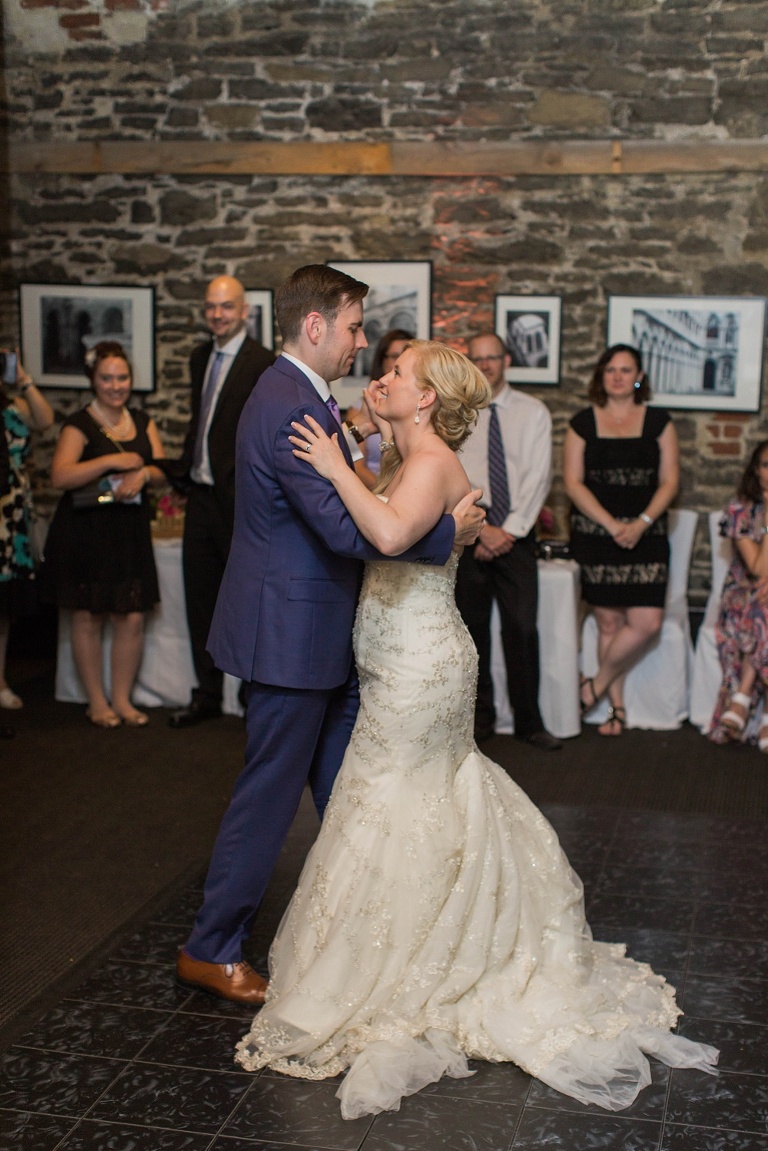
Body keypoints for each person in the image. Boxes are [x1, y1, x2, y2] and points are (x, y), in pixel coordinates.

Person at [234, 339, 717, 1120]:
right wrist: (360, 460)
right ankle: (407, 947)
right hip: (401, 657)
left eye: (398, 374)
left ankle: (410, 963)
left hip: (421, 667)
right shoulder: (413, 456)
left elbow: (388, 538)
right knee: (397, 801)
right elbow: (399, 524)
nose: (381, 376)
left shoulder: (430, 464)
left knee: (399, 800)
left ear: (426, 398)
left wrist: (331, 467)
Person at [175, 265, 485, 1006]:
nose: (362, 342)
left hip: (319, 631)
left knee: (353, 796)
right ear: (315, 326)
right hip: (291, 629)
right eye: (353, 326)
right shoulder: (291, 407)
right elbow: (352, 531)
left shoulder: (306, 398)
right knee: (271, 796)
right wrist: (448, 532)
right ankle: (210, 947)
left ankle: (377, 940)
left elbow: (357, 497)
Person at [166, 275, 275, 728]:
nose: (217, 315)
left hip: (241, 501)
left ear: (244, 311)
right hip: (201, 498)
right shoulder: (198, 357)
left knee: (248, 599)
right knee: (200, 599)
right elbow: (202, 424)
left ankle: (253, 698)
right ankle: (207, 693)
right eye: (211, 307)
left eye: (226, 307)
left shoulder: (263, 363)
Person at [45, 341, 165, 727]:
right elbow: (60, 475)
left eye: (122, 377)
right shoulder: (80, 424)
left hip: (129, 529)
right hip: (86, 530)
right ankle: (96, 702)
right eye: (107, 378)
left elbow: (162, 469)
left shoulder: (143, 420)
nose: (116, 385)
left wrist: (144, 473)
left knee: (130, 617)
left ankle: (122, 699)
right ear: (93, 381)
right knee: (88, 617)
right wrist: (113, 459)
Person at [563, 344, 679, 736]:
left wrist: (642, 522)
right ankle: (617, 709)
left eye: (625, 369)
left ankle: (592, 686)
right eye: (610, 369)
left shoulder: (659, 422)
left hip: (647, 534)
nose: (617, 376)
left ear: (639, 376)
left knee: (647, 622)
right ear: (601, 376)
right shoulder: (582, 422)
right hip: (597, 535)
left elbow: (670, 481)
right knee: (609, 623)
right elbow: (573, 483)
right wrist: (612, 525)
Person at [456, 331, 562, 751]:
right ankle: (480, 720)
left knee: (521, 629)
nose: (485, 365)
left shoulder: (533, 412)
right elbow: (452, 476)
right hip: (469, 535)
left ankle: (529, 721)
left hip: (516, 537)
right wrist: (481, 530)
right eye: (477, 358)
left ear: (506, 360)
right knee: (472, 630)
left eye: (492, 357)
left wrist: (509, 531)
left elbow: (539, 477)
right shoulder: (457, 414)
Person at [0, 349, 54, 736]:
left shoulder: (13, 402)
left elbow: (44, 420)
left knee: (5, 606)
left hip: (11, 513)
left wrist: (22, 378)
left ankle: (0, 679)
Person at [707, 440, 768, 748]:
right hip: (743, 595)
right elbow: (757, 566)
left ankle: (742, 698)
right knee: (764, 609)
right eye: (767, 465)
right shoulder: (739, 509)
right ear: (756, 471)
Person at [346, 328, 413, 489]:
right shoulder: (365, 408)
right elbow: (356, 464)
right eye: (395, 356)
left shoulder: (418, 410)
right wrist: (385, 494)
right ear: (382, 360)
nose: (398, 362)